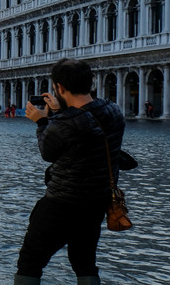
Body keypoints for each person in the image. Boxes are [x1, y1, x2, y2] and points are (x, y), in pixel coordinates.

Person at [14, 59, 126, 285]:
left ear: (60, 88)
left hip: (61, 203)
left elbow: (48, 150)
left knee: (30, 261)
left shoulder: (64, 123)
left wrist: (41, 121)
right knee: (85, 262)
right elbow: (84, 129)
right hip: (96, 202)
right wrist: (58, 111)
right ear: (89, 82)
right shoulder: (113, 110)